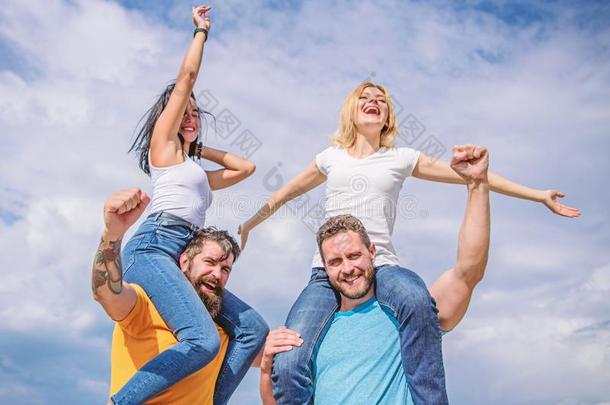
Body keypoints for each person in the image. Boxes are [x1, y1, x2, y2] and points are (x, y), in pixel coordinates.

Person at [239, 81, 580, 404]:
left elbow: (473, 176)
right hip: (324, 270)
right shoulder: (331, 156)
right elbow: (286, 193)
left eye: (381, 99)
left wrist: (537, 195)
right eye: (365, 97)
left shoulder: (401, 157)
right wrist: (249, 225)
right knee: (288, 358)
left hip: (381, 264)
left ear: (387, 116)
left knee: (418, 302)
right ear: (350, 110)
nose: (374, 101)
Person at [259, 144, 492, 404]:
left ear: (372, 252)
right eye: (335, 261)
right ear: (324, 267)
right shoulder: (313, 333)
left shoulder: (409, 314)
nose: (347, 268)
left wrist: (477, 185)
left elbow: (468, 272)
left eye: (354, 256)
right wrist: (268, 367)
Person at [117, 6, 268, 405]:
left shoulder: (194, 172)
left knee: (252, 328)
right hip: (151, 248)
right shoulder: (162, 150)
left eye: (195, 114)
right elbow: (186, 78)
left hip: (182, 251)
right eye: (184, 110)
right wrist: (201, 33)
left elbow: (245, 167)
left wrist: (199, 147)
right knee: (202, 340)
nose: (190, 116)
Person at [92, 188, 263, 404]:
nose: (217, 274)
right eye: (209, 262)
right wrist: (112, 235)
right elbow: (104, 291)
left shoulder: (226, 331)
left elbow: (261, 354)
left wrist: (280, 343)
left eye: (225, 269)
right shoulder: (146, 306)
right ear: (184, 262)